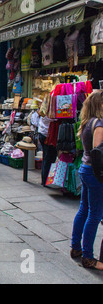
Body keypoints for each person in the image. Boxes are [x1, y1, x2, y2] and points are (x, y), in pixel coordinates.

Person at [71, 90, 103, 270]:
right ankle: (88, 257)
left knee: (84, 210)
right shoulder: (99, 123)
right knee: (95, 213)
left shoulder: (87, 122)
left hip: (86, 168)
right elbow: (98, 152)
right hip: (94, 172)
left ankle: (76, 248)